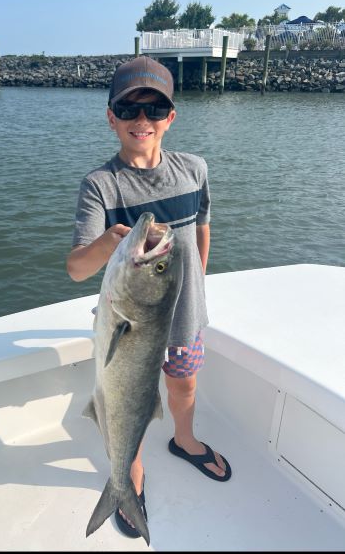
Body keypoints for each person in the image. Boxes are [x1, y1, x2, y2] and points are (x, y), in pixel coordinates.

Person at [67, 56, 231, 539]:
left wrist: (196, 278)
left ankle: (184, 439)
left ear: (171, 118)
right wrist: (107, 245)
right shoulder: (101, 185)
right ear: (111, 116)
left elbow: (202, 230)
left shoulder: (195, 169)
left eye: (155, 109)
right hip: (126, 324)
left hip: (181, 316)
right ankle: (129, 474)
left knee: (184, 386)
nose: (143, 121)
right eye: (130, 109)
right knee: (127, 399)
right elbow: (77, 269)